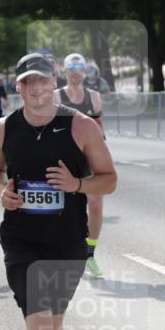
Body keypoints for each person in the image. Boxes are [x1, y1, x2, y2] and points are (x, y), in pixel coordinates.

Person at [0, 52, 116, 330]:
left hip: (66, 242)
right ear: (18, 87)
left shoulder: (81, 126)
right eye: (27, 82)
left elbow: (108, 180)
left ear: (53, 83)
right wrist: (0, 190)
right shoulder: (4, 128)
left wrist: (76, 185)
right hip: (22, 241)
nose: (35, 89)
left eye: (42, 81)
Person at [58, 53, 107, 278]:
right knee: (65, 207)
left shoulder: (94, 97)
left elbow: (99, 126)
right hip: (64, 157)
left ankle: (89, 254)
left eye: (80, 68)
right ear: (65, 72)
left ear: (85, 72)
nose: (76, 72)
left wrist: (102, 153)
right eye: (72, 68)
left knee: (96, 204)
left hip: (89, 157)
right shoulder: (56, 96)